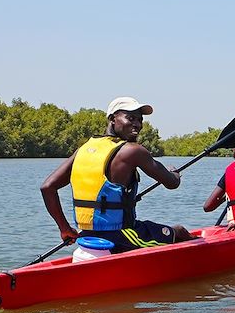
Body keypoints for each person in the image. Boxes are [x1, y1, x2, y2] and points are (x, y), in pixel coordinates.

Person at [40, 96, 193, 254]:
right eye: (130, 118)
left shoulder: (84, 150)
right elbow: (172, 183)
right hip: (121, 236)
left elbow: (47, 187)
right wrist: (174, 172)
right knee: (180, 232)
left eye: (140, 120)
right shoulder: (133, 150)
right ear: (113, 119)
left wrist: (64, 229)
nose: (137, 124)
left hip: (87, 235)